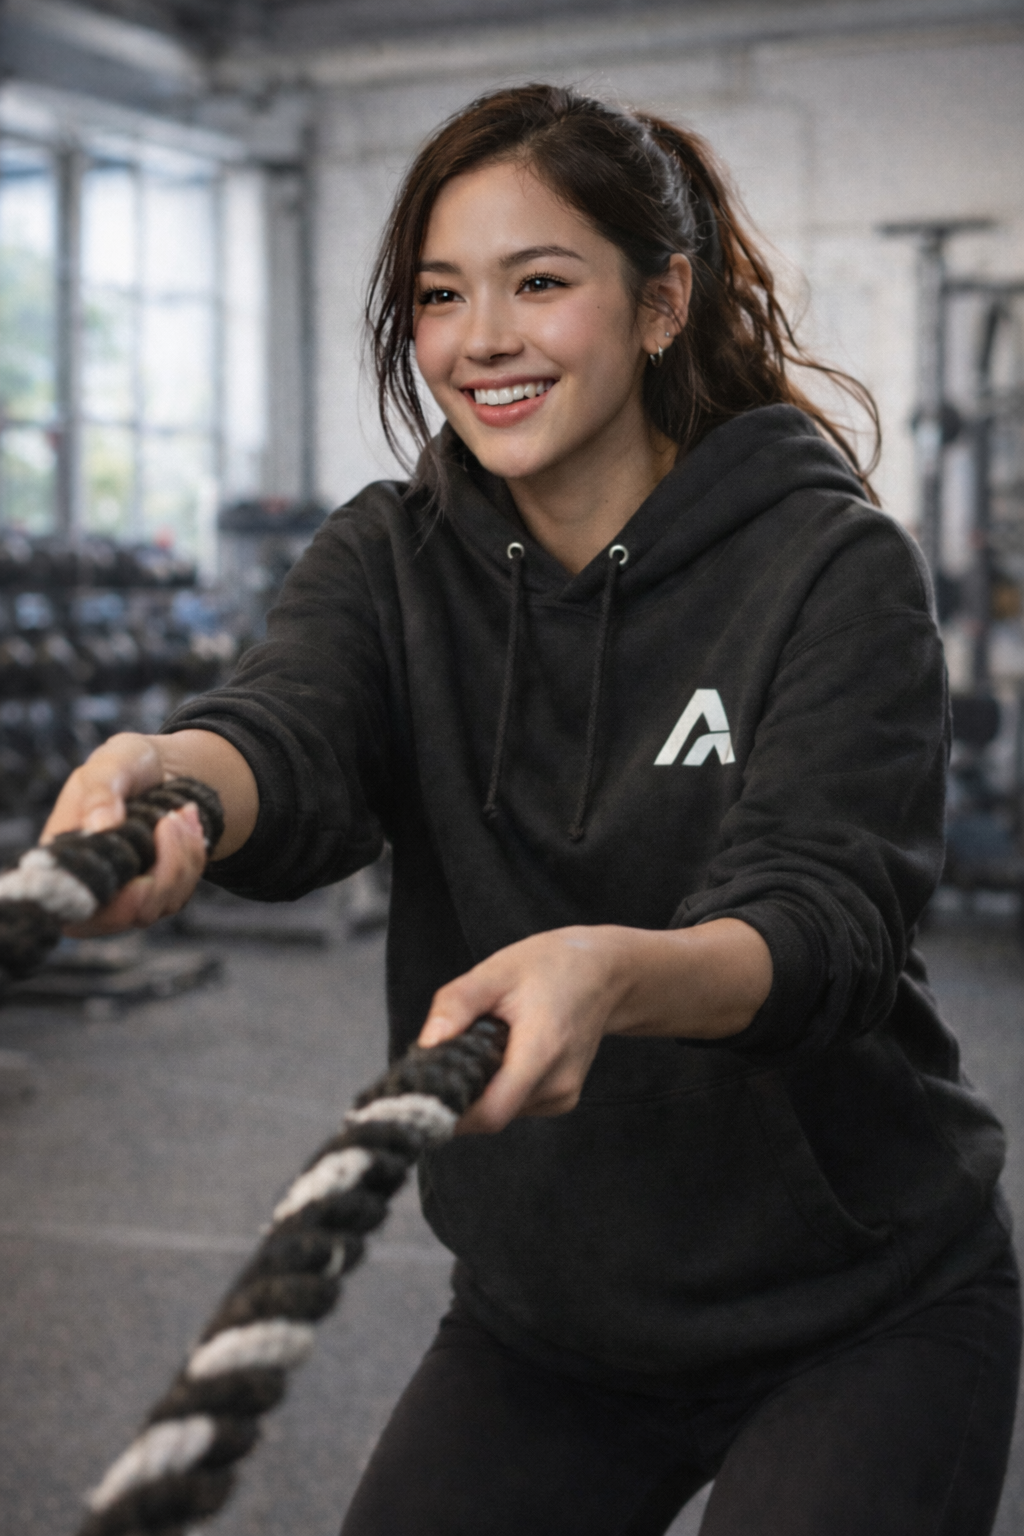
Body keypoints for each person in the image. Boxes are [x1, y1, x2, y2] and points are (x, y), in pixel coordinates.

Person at [46, 86, 1019, 1536]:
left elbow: (825, 921)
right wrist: (175, 788)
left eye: (540, 283)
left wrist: (611, 968)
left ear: (660, 302)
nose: (480, 339)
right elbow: (289, 730)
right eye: (442, 296)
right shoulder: (393, 558)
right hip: (552, 1318)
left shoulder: (828, 567)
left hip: (860, 1304)